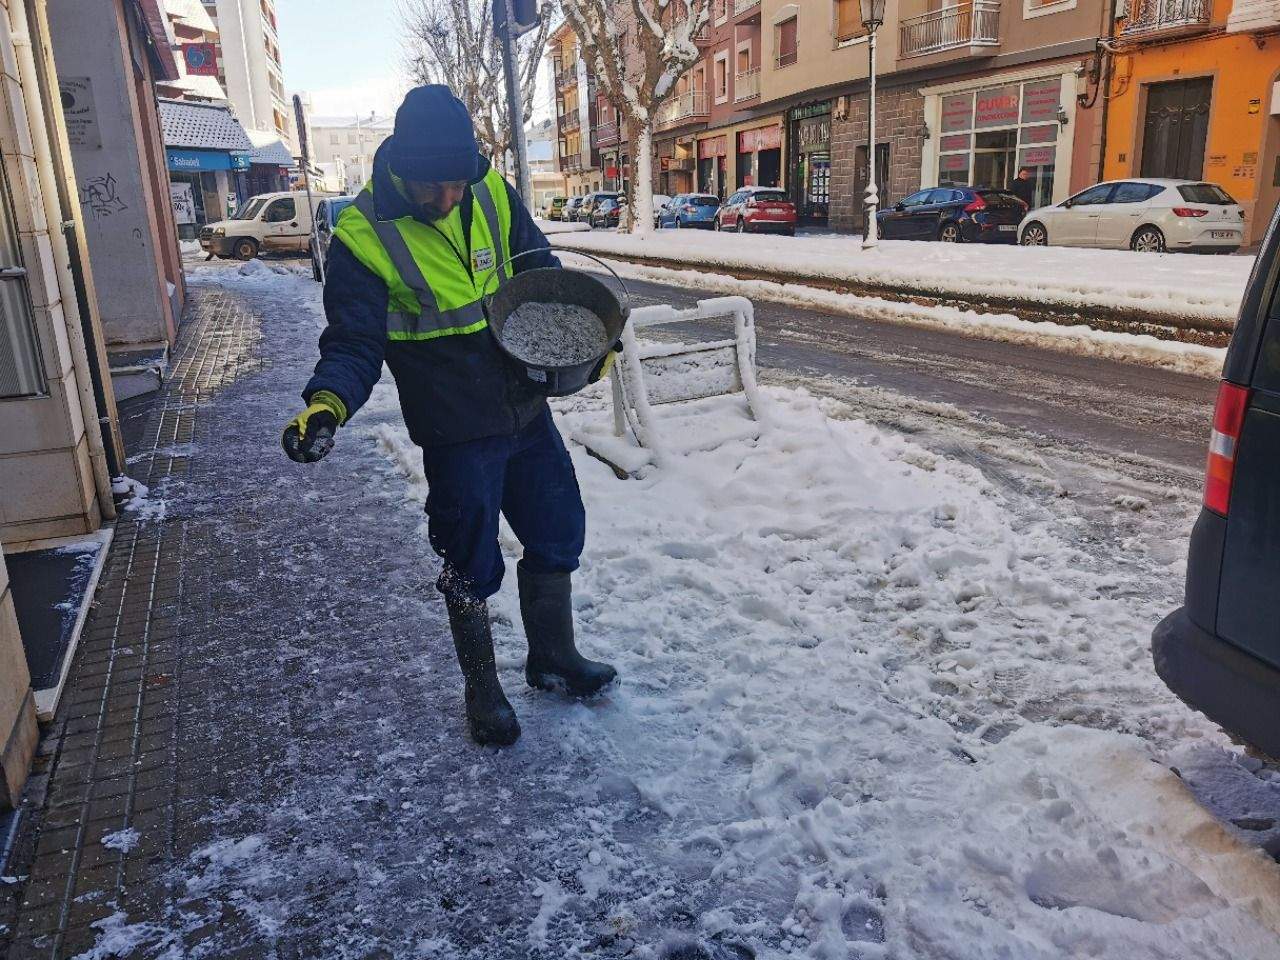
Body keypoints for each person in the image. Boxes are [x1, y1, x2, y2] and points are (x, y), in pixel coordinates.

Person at [281, 85, 617, 748]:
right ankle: (483, 689)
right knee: (470, 559)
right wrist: (327, 403)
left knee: (557, 531)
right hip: (456, 429)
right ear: (401, 168)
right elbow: (353, 341)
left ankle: (552, 658)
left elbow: (540, 277)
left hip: (523, 409)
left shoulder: (487, 191)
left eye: (458, 183)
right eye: (435, 186)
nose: (449, 198)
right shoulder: (361, 236)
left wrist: (583, 344)